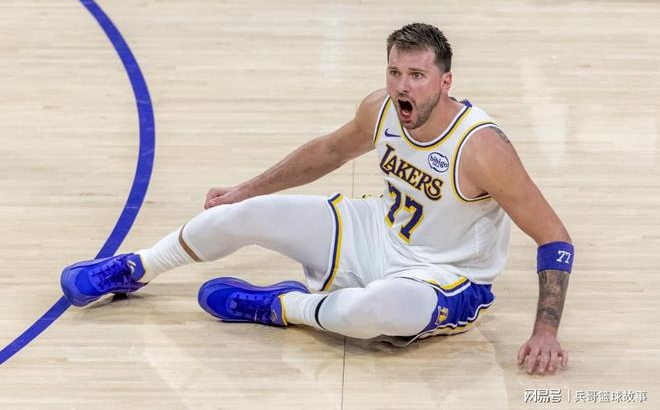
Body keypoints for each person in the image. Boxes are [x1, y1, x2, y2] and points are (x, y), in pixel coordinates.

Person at [60, 23, 573, 376]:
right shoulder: (382, 108)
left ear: (445, 81)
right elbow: (328, 151)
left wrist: (545, 331)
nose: (403, 86)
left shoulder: (482, 148)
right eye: (395, 72)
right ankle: (136, 268)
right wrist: (244, 190)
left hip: (444, 276)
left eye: (416, 76)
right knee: (243, 215)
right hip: (377, 230)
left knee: (373, 314)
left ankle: (284, 306)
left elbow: (554, 238)